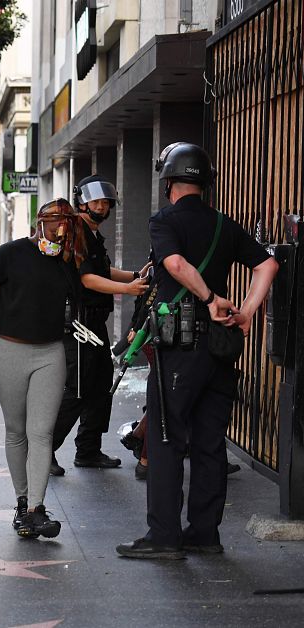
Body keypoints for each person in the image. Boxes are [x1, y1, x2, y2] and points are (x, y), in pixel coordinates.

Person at [117, 142, 278, 559]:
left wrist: (207, 298)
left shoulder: (164, 221)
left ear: (168, 182)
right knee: (209, 442)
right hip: (221, 348)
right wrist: (244, 312)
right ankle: (204, 534)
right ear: (205, 184)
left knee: (167, 438)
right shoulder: (225, 225)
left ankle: (164, 537)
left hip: (180, 346)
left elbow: (173, 265)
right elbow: (268, 265)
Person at [0, 198, 86, 538]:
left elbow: (83, 295)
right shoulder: (10, 253)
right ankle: (21, 501)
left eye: (66, 222)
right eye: (54, 220)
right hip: (9, 349)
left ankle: (36, 508)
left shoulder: (67, 262)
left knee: (41, 431)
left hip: (50, 352)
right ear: (39, 221)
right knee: (16, 430)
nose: (60, 227)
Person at [49, 175, 150, 476]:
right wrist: (128, 289)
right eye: (96, 201)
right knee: (78, 387)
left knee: (99, 384)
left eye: (105, 202)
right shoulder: (76, 231)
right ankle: (44, 451)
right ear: (82, 201)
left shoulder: (91, 234)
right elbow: (87, 279)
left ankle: (88, 449)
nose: (101, 206)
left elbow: (102, 270)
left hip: (94, 323)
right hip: (78, 323)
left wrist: (133, 275)